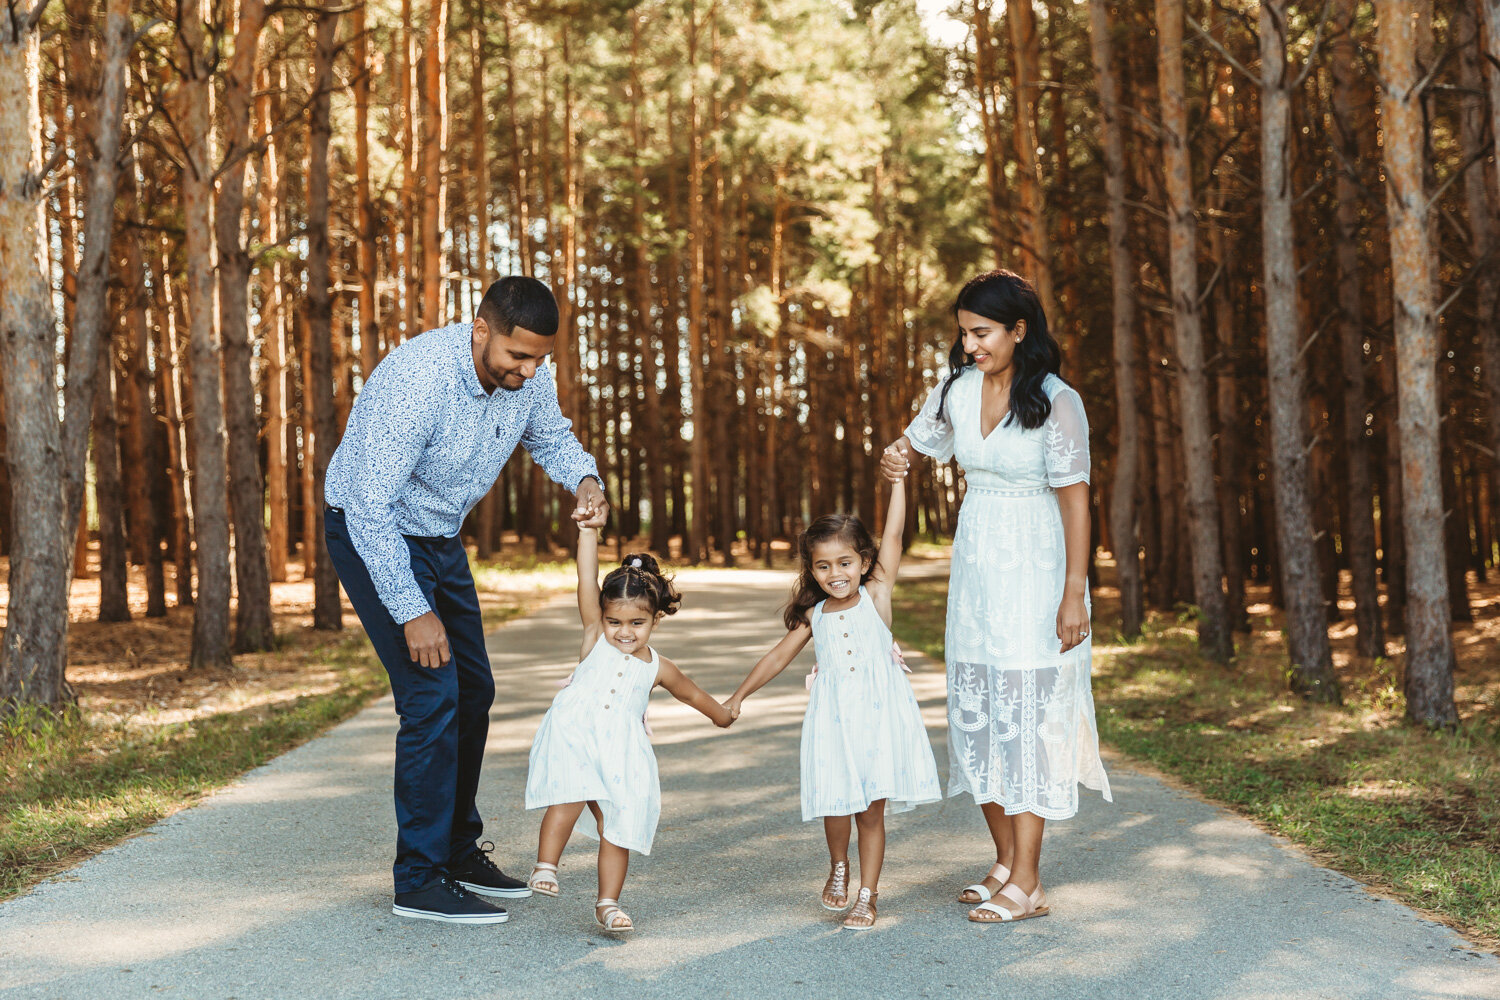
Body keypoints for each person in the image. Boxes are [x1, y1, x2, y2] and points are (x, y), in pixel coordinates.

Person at [324, 276, 609, 925]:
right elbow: (369, 507)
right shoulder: (417, 380)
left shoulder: (530, 375)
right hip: (373, 531)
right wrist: (412, 609)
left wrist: (584, 477)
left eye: (539, 358)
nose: (530, 370)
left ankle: (455, 850)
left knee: (473, 689)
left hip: (439, 536)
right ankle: (418, 878)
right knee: (432, 694)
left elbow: (551, 436)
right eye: (519, 356)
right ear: (481, 330)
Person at [881, 268, 1112, 924]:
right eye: (963, 333)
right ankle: (1006, 861)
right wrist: (895, 456)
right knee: (979, 714)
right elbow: (912, 443)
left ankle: (1030, 882)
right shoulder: (956, 388)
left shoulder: (1058, 401)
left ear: (1019, 330)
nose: (970, 345)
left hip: (1037, 570)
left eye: (982, 333)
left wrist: (1075, 595)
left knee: (1029, 723)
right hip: (978, 570)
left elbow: (1076, 503)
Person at [724, 474, 941, 931]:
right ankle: (838, 864)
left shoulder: (876, 595)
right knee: (835, 802)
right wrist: (738, 696)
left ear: (864, 563)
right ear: (812, 571)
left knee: (871, 809)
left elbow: (896, 534)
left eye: (845, 563)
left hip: (879, 717)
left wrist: (899, 482)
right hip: (833, 718)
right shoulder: (814, 614)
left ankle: (868, 894)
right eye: (823, 567)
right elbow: (778, 656)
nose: (835, 574)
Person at [525, 531, 733, 934]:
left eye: (637, 623)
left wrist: (721, 714)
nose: (624, 632)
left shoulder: (659, 667)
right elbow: (586, 579)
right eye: (613, 621)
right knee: (572, 790)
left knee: (617, 823)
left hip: (619, 748)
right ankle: (545, 866)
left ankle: (608, 904)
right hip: (574, 733)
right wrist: (586, 533)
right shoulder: (593, 639)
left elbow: (692, 693)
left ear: (656, 619)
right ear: (600, 617)